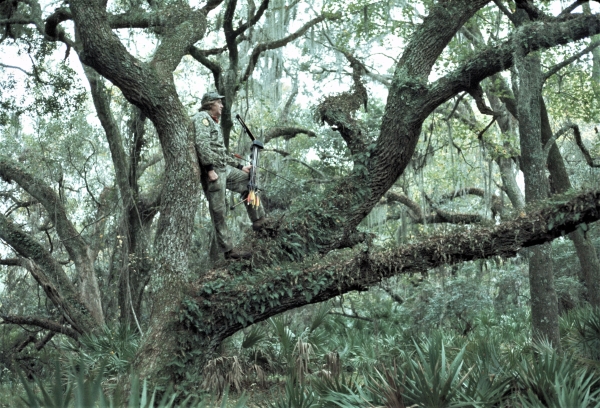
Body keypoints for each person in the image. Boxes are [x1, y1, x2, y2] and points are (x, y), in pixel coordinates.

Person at [193, 91, 265, 260]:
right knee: (219, 210)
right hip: (214, 171)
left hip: (225, 168)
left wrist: (241, 166)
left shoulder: (214, 122)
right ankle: (229, 250)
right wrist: (209, 169)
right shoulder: (202, 118)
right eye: (219, 102)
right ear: (210, 104)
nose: (222, 105)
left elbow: (221, 152)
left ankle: (259, 220)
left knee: (249, 180)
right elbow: (201, 145)